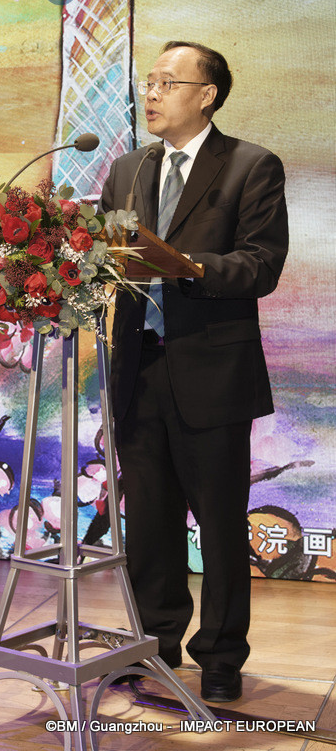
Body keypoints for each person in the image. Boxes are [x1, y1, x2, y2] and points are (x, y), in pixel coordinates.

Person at [100, 40, 288, 702]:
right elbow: (108, 256)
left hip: (212, 373)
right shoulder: (126, 170)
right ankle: (153, 646)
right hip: (138, 370)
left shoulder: (250, 166)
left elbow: (262, 264)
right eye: (148, 82)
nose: (151, 94)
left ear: (206, 95)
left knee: (220, 523)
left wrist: (190, 267)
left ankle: (221, 657)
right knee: (149, 524)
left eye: (167, 83)